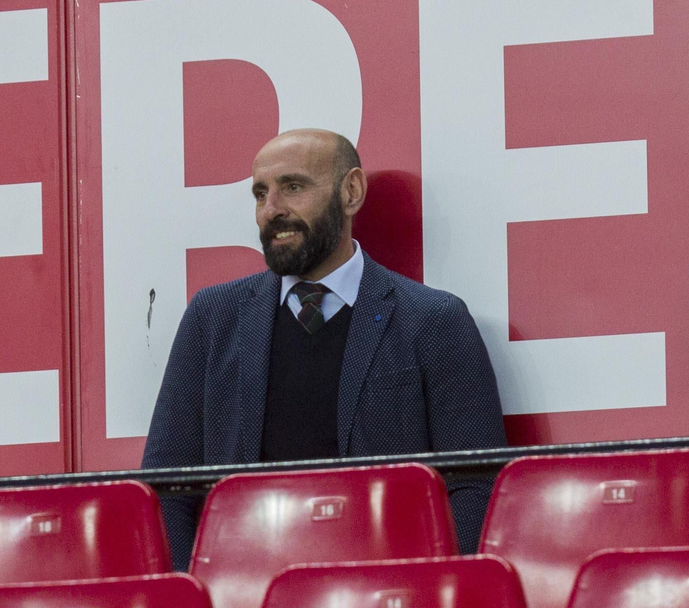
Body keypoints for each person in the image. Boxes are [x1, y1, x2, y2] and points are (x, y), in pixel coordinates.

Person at [142, 128, 506, 563]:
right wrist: (200, 597)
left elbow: (476, 486)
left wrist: (425, 593)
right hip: (244, 597)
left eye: (293, 187)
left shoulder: (434, 321)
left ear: (351, 192)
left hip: (389, 597)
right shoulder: (213, 317)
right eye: (260, 194)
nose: (271, 210)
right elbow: (166, 487)